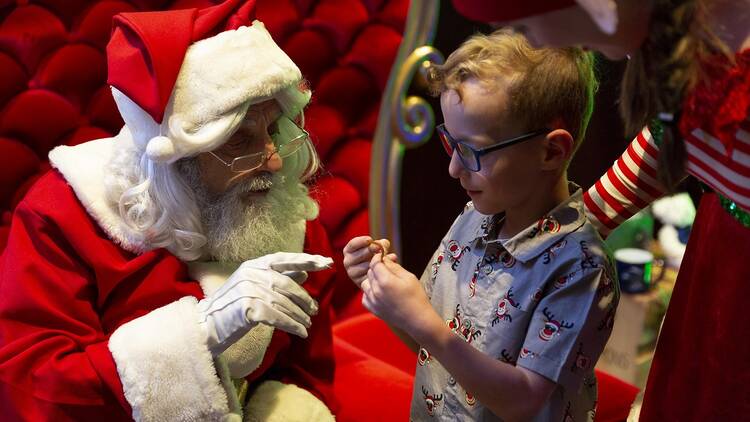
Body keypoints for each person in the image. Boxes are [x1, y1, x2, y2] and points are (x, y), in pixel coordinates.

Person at [0, 1, 338, 421]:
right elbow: (33, 387)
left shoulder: (277, 206)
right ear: (178, 158)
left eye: (273, 130)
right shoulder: (64, 214)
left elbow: (306, 371)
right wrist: (200, 335)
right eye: (239, 140)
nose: (272, 161)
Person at [452, 0, 750, 419]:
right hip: (722, 260)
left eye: (523, 24)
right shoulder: (680, 34)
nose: (532, 40)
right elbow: (682, 137)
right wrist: (570, 231)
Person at [344, 30, 617, 421]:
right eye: (450, 143)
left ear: (552, 151)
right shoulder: (474, 218)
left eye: (471, 151)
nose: (454, 168)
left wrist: (422, 321)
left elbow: (525, 401)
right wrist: (390, 298)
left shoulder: (581, 269)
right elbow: (430, 342)